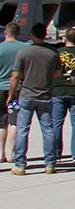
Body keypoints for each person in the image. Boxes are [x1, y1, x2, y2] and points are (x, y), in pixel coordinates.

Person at [8, 23, 60, 175]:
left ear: (31, 34)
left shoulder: (24, 52)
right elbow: (57, 73)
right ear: (44, 34)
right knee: (48, 130)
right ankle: (50, 163)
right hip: (45, 95)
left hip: (27, 95)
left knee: (23, 129)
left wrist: (12, 94)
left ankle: (20, 164)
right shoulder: (52, 53)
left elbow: (15, 75)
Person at [51, 28, 75, 167]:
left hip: (58, 89)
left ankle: (55, 153)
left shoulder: (57, 52)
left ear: (65, 38)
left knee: (56, 122)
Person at [0, 22, 26, 164]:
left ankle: (0, 153)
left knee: (1, 123)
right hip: (18, 88)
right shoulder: (25, 48)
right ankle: (12, 153)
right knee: (14, 122)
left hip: (0, 88)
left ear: (5, 33)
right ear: (18, 33)